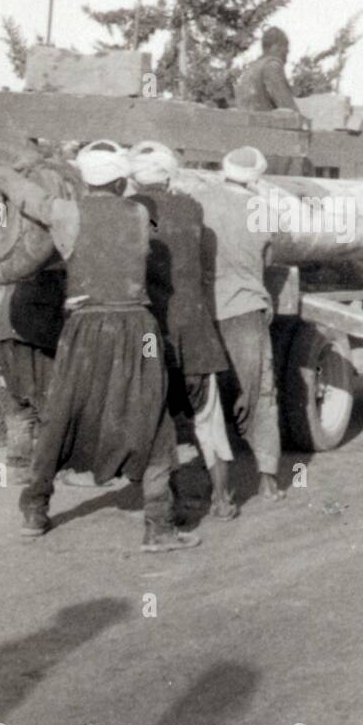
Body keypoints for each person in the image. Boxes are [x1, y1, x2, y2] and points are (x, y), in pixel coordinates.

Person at [0, 142, 199, 551]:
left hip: (84, 327)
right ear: (121, 180)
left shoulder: (67, 213)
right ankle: (159, 525)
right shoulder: (138, 213)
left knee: (61, 414)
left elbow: (30, 198)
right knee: (153, 419)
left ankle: (34, 510)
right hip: (138, 326)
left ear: (85, 178)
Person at [129, 141, 238, 520]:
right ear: (168, 173)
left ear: (133, 178)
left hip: (151, 337)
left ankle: (168, 503)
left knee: (160, 423)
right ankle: (223, 500)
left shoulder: (131, 212)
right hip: (194, 330)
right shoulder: (191, 207)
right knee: (209, 421)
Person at [191, 145, 285, 504]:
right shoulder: (262, 208)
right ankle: (268, 479)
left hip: (206, 311)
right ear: (256, 177)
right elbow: (268, 259)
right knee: (260, 391)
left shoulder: (199, 200)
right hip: (247, 309)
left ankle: (215, 481)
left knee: (209, 397)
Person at [0, 265, 66, 466]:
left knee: (20, 403)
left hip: (6, 333)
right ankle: (53, 468)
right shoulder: (53, 259)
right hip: (34, 335)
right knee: (49, 403)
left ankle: (19, 464)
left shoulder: (21, 256)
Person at [234, 27, 306, 120]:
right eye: (285, 46)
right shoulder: (271, 66)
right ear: (275, 46)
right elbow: (288, 108)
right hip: (265, 129)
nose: (287, 51)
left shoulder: (250, 68)